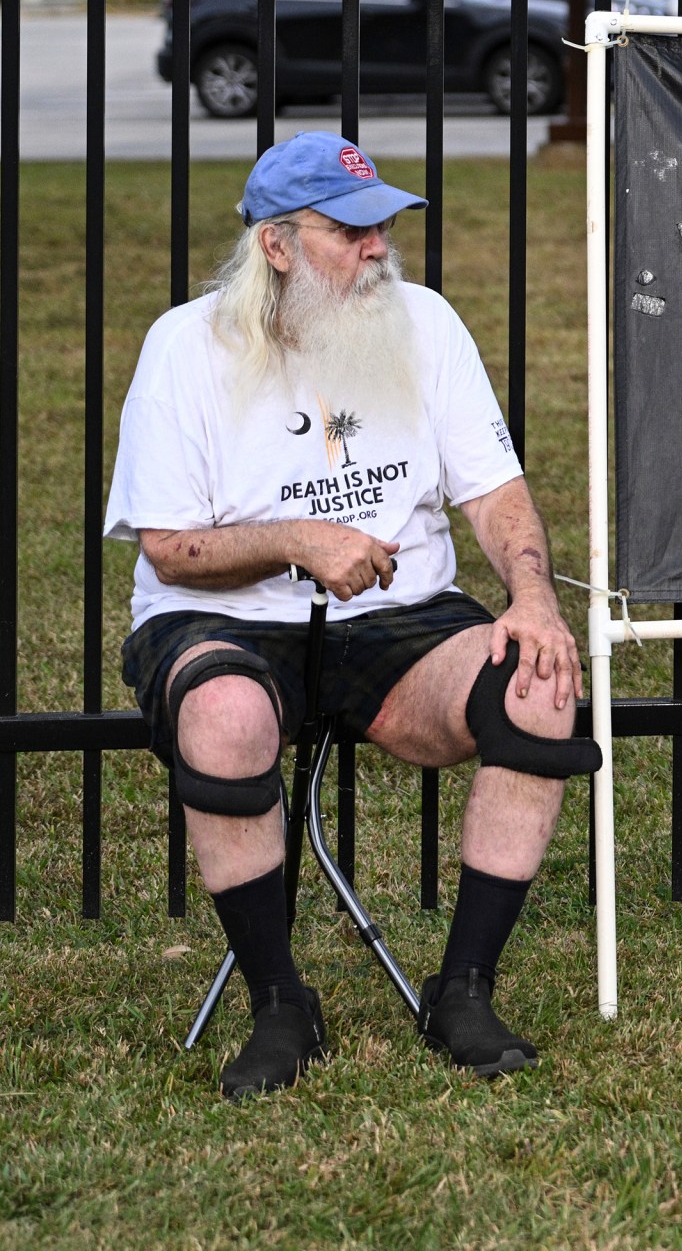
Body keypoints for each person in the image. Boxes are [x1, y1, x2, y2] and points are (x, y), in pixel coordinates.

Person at [104, 133, 596, 1100]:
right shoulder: (184, 345)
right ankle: (280, 1002)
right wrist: (300, 539)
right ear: (277, 247)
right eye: (350, 231)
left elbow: (495, 494)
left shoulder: (425, 322)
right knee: (226, 715)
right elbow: (168, 544)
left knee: (537, 684)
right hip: (223, 617)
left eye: (384, 227)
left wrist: (534, 598)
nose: (378, 250)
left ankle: (464, 992)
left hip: (397, 616)